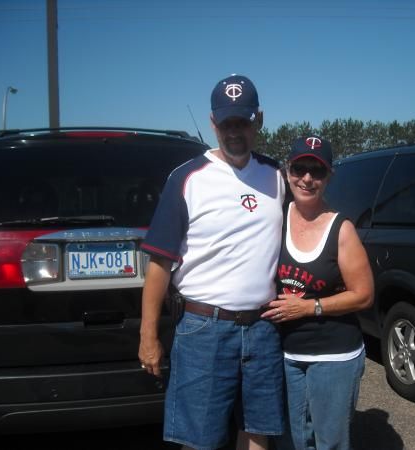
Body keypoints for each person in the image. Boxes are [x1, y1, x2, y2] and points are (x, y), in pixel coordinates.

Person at [138, 74, 286, 450]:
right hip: (204, 329)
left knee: (258, 430)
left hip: (263, 327)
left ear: (260, 120)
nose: (234, 132)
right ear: (212, 123)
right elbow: (159, 265)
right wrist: (148, 335)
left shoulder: (276, 176)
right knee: (199, 439)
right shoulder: (187, 179)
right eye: (226, 123)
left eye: (243, 122)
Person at [261, 135, 374, 450]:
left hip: (333, 356)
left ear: (329, 177)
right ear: (287, 171)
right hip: (284, 354)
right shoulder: (274, 219)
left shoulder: (341, 229)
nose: (307, 178)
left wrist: (308, 308)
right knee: (291, 441)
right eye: (300, 168)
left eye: (317, 171)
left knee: (330, 442)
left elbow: (364, 295)